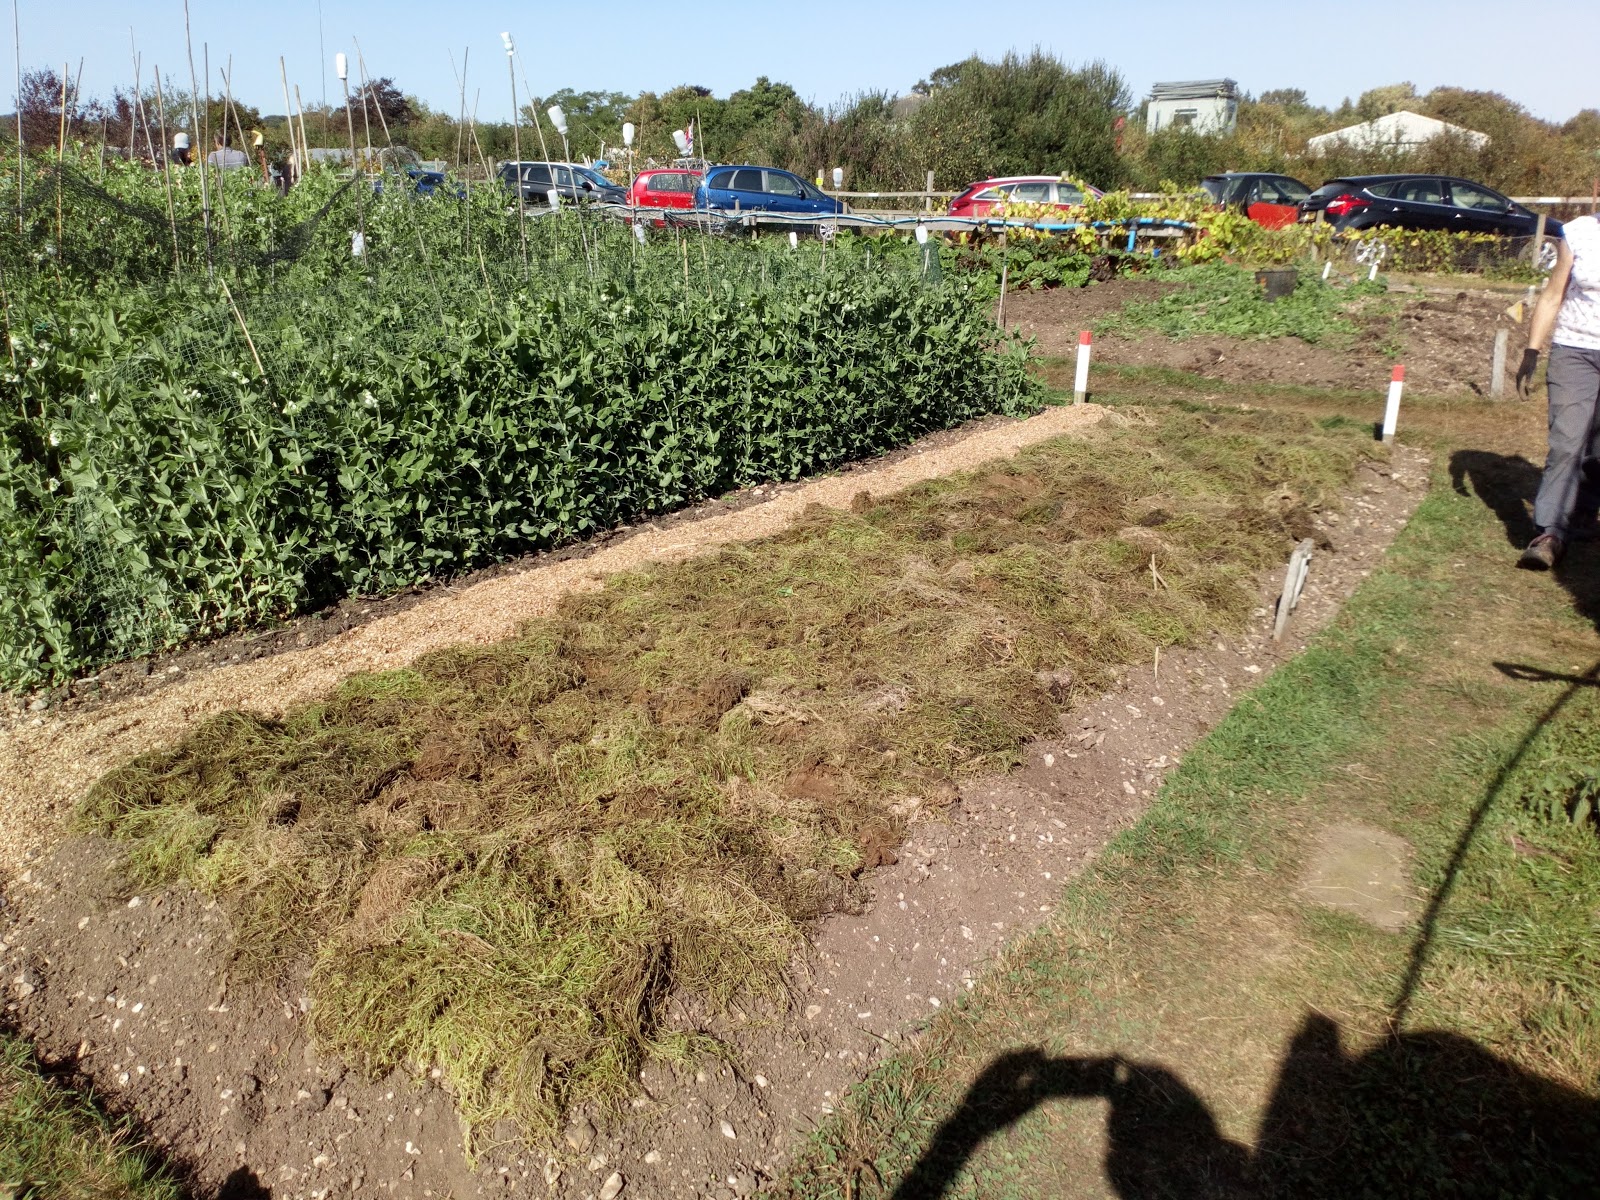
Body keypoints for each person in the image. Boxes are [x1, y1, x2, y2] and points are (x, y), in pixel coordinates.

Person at [1516, 211, 1600, 569]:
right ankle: (1550, 532)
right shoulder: (1581, 232)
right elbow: (1552, 295)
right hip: (1575, 350)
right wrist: (1532, 351)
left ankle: (1583, 513)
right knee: (1567, 441)